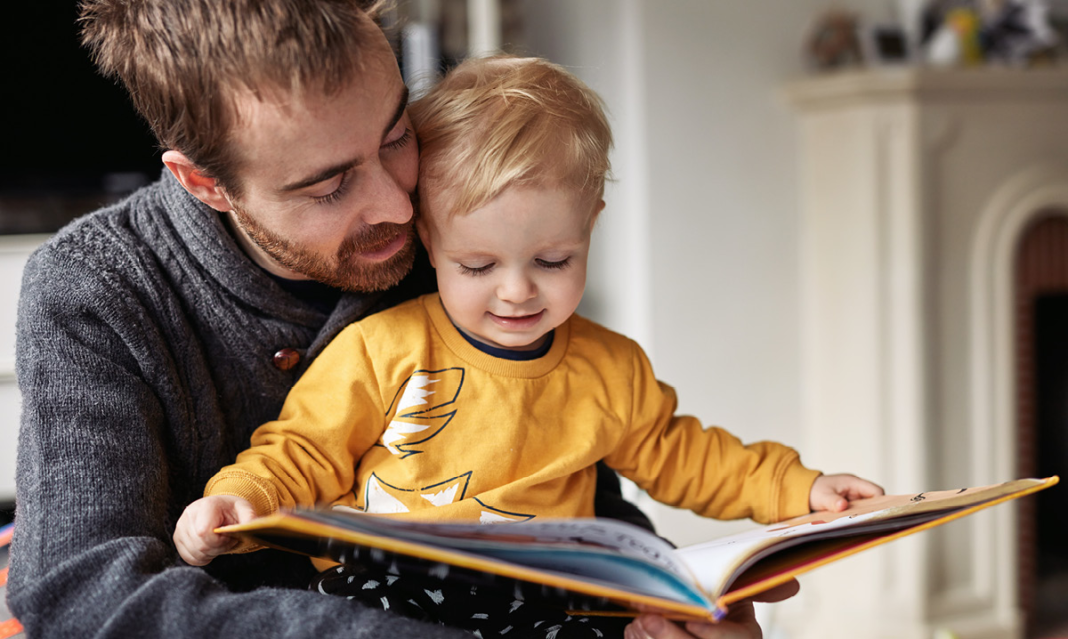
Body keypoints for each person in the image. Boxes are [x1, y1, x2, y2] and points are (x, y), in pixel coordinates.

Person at [8, 2, 658, 638]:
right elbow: (83, 594)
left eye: (397, 135)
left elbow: (572, 480)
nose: (398, 207)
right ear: (205, 183)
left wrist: (661, 606)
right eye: (328, 186)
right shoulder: (96, 288)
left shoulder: (458, 233)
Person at [172, 56, 884, 637]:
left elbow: (687, 454)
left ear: (591, 226)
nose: (517, 293)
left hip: (548, 593)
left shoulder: (611, 368)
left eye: (552, 261)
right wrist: (240, 500)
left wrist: (803, 489)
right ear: (429, 239)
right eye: (477, 267)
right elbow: (304, 449)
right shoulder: (384, 345)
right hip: (393, 585)